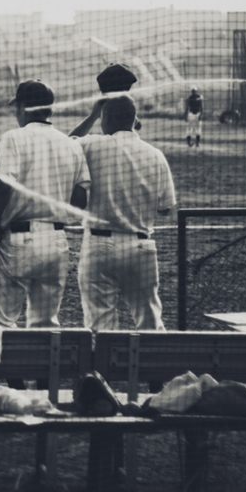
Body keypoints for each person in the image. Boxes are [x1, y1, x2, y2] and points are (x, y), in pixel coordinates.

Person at [0, 80, 90, 390]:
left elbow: (5, 184)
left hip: (20, 239)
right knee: (46, 322)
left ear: (21, 107)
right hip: (56, 240)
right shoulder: (70, 143)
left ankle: (16, 386)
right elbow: (81, 196)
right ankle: (44, 389)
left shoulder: (14, 137)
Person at [69, 94, 176, 332]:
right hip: (140, 247)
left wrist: (92, 114)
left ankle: (102, 370)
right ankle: (153, 368)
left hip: (99, 246)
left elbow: (65, 146)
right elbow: (166, 208)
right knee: (150, 321)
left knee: (100, 324)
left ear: (105, 118)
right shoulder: (155, 154)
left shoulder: (93, 144)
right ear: (134, 119)